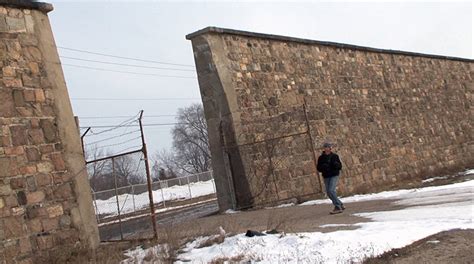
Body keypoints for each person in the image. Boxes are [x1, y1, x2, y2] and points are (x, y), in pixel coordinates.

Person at [317, 142, 344, 214]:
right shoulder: (321, 158)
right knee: (328, 192)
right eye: (325, 147)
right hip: (326, 176)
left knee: (331, 190)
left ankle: (337, 206)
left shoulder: (335, 156)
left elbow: (340, 166)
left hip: (334, 175)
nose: (327, 148)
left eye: (328, 147)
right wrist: (323, 167)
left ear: (330, 148)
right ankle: (340, 203)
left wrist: (336, 165)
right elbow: (318, 168)